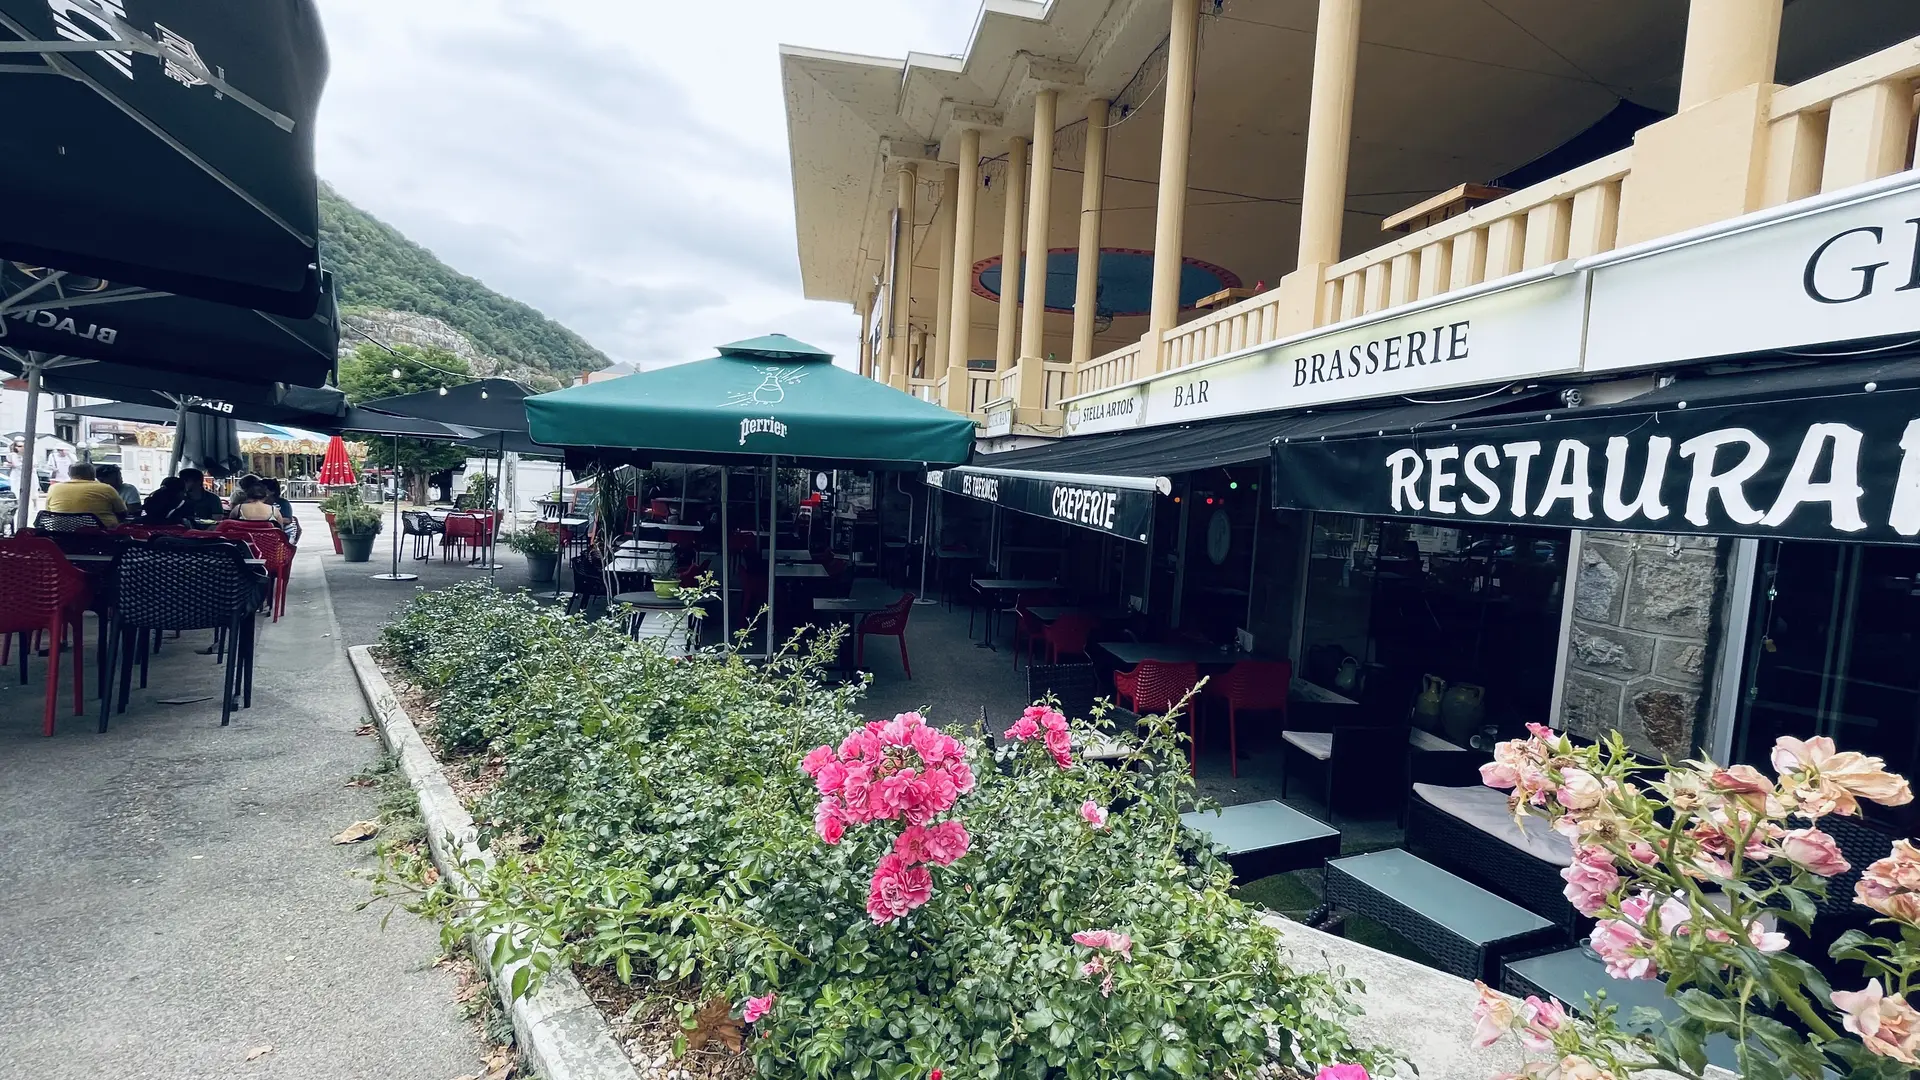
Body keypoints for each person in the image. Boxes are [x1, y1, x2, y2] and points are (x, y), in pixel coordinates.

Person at [43, 461, 127, 527]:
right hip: (101, 535)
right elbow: (122, 513)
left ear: (69, 475)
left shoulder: (54, 488)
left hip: (59, 532)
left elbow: (48, 512)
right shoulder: (106, 489)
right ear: (93, 474)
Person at [265, 478, 301, 545]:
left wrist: (269, 520)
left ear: (272, 491)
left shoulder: (283, 503)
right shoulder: (260, 503)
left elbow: (288, 519)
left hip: (283, 535)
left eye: (263, 489)